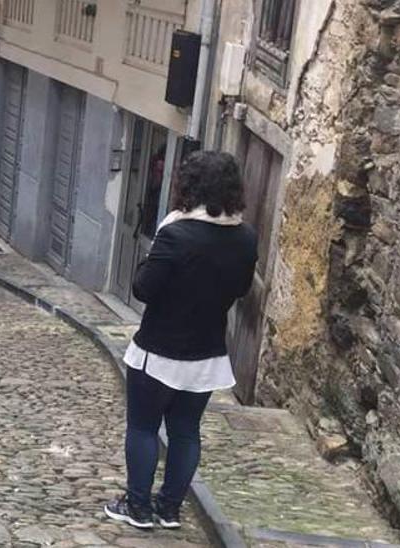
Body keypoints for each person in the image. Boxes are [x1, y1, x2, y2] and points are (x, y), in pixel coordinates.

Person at [104, 151, 257, 530]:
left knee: (142, 427)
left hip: (159, 350)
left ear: (189, 187)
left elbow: (143, 288)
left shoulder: (175, 233)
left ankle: (138, 507)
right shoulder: (245, 237)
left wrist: (155, 249)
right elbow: (240, 288)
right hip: (206, 353)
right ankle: (169, 508)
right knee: (186, 431)